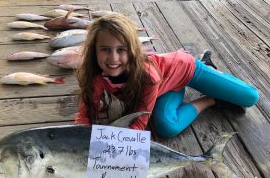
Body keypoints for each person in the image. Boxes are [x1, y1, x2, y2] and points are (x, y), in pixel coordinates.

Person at [75, 13, 259, 138]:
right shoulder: (94, 75)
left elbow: (140, 121)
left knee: (250, 97)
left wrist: (120, 144)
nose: (113, 58)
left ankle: (206, 65)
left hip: (187, 70)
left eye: (121, 50)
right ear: (94, 51)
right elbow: (85, 113)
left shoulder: (147, 75)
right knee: (166, 128)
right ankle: (210, 100)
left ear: (132, 50)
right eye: (105, 49)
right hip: (164, 89)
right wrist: (79, 136)